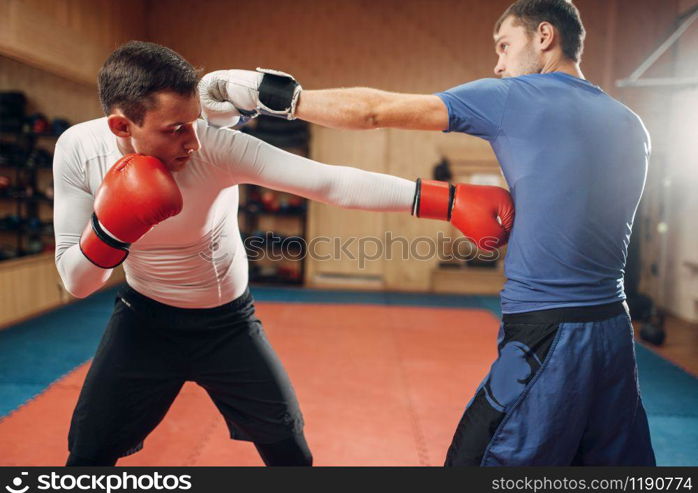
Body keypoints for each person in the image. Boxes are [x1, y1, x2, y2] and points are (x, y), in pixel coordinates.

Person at [200, 0, 656, 466]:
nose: (498, 64)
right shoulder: (631, 124)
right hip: (614, 337)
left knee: (471, 463)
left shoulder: (518, 96)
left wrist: (270, 93)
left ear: (544, 37)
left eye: (504, 45)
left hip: (547, 337)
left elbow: (375, 111)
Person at [55, 41, 513, 466]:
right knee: (87, 454)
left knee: (290, 453)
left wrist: (447, 201)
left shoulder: (213, 147)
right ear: (121, 125)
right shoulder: (78, 151)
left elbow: (330, 182)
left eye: (194, 123)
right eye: (175, 130)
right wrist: (110, 229)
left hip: (226, 325)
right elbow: (77, 282)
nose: (191, 141)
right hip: (144, 321)